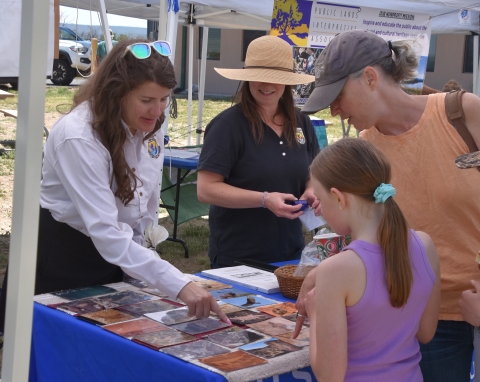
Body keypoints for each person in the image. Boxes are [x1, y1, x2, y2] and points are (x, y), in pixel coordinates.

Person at [0, 39, 230, 332]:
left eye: (164, 99)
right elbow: (105, 230)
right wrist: (177, 283)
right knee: (59, 346)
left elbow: (144, 197)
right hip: (64, 254)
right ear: (116, 92)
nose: (157, 111)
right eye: (146, 100)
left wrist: (144, 259)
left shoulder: (150, 124)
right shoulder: (79, 136)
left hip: (117, 253)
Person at [299, 29, 480, 382]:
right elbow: (373, 238)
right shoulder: (364, 151)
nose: (334, 111)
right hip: (424, 317)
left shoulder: (462, 113)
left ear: (369, 78)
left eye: (337, 96)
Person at [301, 138, 440, 381]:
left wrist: (314, 313)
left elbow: (329, 376)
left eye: (321, 201)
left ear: (339, 198)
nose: (319, 210)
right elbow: (426, 333)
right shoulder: (425, 244)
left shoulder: (336, 270)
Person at [196, 35, 320, 268]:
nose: (267, 85)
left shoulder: (301, 122)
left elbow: (315, 170)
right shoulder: (228, 126)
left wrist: (312, 190)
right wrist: (264, 200)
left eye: (276, 79)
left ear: (288, 82)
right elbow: (206, 190)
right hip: (239, 256)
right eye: (259, 77)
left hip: (291, 251)